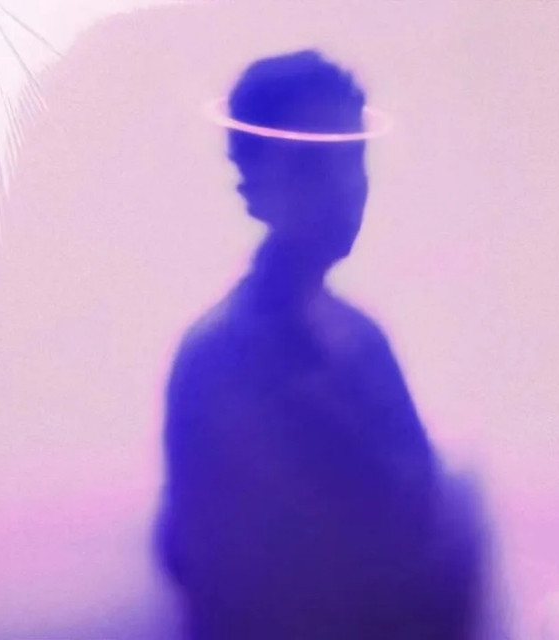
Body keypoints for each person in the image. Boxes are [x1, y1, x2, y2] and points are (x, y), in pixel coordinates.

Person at [154, 49, 504, 639]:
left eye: (353, 159)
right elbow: (240, 575)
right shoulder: (219, 362)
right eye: (312, 166)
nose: (344, 189)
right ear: (252, 186)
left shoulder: (363, 338)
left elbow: (416, 516)